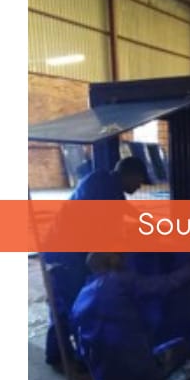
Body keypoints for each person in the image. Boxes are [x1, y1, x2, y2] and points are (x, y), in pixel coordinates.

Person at [72, 252, 190, 380]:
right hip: (133, 364)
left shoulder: (83, 294)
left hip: (99, 369)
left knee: (114, 369)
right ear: (112, 260)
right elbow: (166, 284)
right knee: (181, 347)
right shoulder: (122, 281)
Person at [42, 157, 147, 367]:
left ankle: (56, 353)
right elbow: (107, 230)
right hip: (69, 255)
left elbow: (123, 209)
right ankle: (85, 358)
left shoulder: (105, 183)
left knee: (62, 303)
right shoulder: (103, 189)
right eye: (138, 181)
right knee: (80, 306)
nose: (139, 187)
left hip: (57, 252)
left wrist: (150, 221)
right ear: (129, 175)